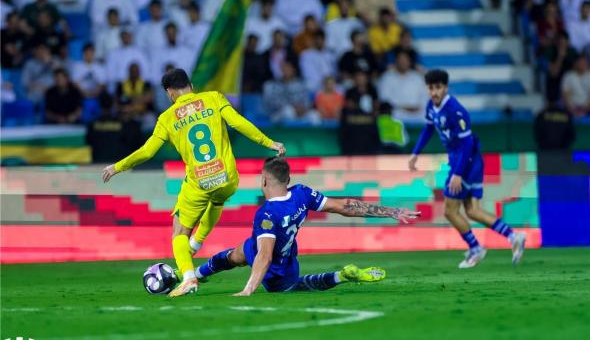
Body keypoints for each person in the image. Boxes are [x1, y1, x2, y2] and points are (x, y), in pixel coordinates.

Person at [102, 68, 286, 297]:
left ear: (170, 93)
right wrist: (269, 143)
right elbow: (238, 123)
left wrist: (116, 167)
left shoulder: (167, 118)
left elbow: (147, 152)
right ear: (190, 85)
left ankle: (188, 277)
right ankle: (197, 244)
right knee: (217, 201)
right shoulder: (213, 98)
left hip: (199, 182)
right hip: (227, 177)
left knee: (179, 232)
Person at [193, 157, 420, 295]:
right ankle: (193, 274)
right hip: (288, 260)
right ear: (288, 180)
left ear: (263, 181)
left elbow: (265, 256)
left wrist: (248, 289)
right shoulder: (301, 193)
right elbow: (345, 206)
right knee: (240, 253)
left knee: (244, 259)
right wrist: (392, 211)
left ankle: (339, 276)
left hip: (275, 271)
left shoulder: (266, 214)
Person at [408, 69, 526, 268]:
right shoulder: (431, 106)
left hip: (466, 162)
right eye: (431, 88)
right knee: (472, 210)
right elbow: (429, 129)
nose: (434, 92)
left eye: (438, 87)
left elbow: (466, 144)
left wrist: (457, 173)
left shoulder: (455, 110)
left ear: (445, 88)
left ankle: (476, 248)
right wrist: (415, 152)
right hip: (466, 161)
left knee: (449, 210)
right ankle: (513, 236)